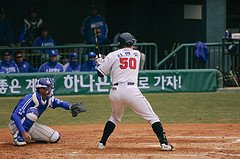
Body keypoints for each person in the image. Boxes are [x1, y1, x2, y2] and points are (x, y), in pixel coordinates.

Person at [96, 32, 175, 151]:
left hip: (115, 92)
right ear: (130, 42)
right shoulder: (137, 54)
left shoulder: (112, 55)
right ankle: (164, 143)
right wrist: (104, 62)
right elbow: (122, 61)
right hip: (130, 90)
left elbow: (100, 73)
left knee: (114, 118)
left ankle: (102, 143)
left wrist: (100, 62)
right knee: (152, 117)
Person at [8, 77, 86, 146]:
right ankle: (18, 137)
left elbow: (60, 103)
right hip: (16, 125)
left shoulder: (48, 98)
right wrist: (22, 131)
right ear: (41, 89)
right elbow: (15, 115)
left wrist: (71, 106)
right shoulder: (30, 98)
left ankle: (29, 136)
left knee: (55, 137)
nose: (50, 89)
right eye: (48, 87)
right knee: (33, 112)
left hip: (30, 125)